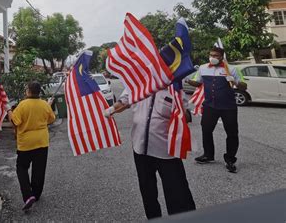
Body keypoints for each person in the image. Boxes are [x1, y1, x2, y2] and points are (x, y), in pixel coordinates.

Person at [105, 88, 196, 219]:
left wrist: (179, 112)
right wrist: (110, 110)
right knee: (148, 193)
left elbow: (187, 116)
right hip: (140, 148)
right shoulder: (136, 82)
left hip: (166, 152)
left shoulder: (174, 85)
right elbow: (124, 101)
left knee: (178, 196)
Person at [186, 46, 247, 173]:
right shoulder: (203, 68)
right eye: (211, 55)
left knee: (232, 133)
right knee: (206, 130)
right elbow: (198, 82)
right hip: (210, 106)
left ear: (221, 57)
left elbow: (244, 86)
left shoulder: (231, 69)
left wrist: (234, 81)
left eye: (216, 56)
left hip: (228, 107)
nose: (212, 57)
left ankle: (230, 159)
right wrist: (186, 80)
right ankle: (208, 155)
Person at [6, 81, 56, 211]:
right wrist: (48, 105)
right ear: (39, 92)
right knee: (39, 169)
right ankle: (36, 194)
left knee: (21, 168)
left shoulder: (23, 105)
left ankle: (28, 196)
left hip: (26, 144)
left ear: (28, 91)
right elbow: (51, 119)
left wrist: (8, 110)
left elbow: (15, 122)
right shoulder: (44, 105)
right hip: (42, 142)